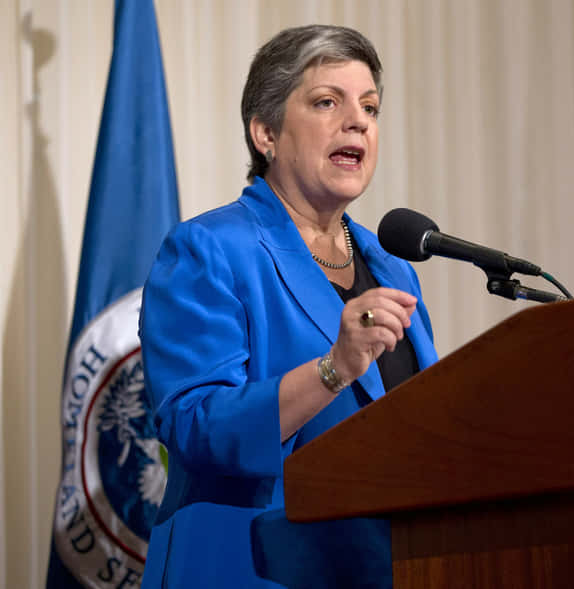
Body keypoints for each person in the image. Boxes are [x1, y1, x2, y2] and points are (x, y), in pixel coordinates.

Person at [139, 25, 438, 588]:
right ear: (266, 132)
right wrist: (334, 368)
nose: (358, 122)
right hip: (251, 568)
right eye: (327, 102)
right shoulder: (209, 250)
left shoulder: (394, 269)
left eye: (369, 107)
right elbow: (196, 426)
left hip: (382, 567)